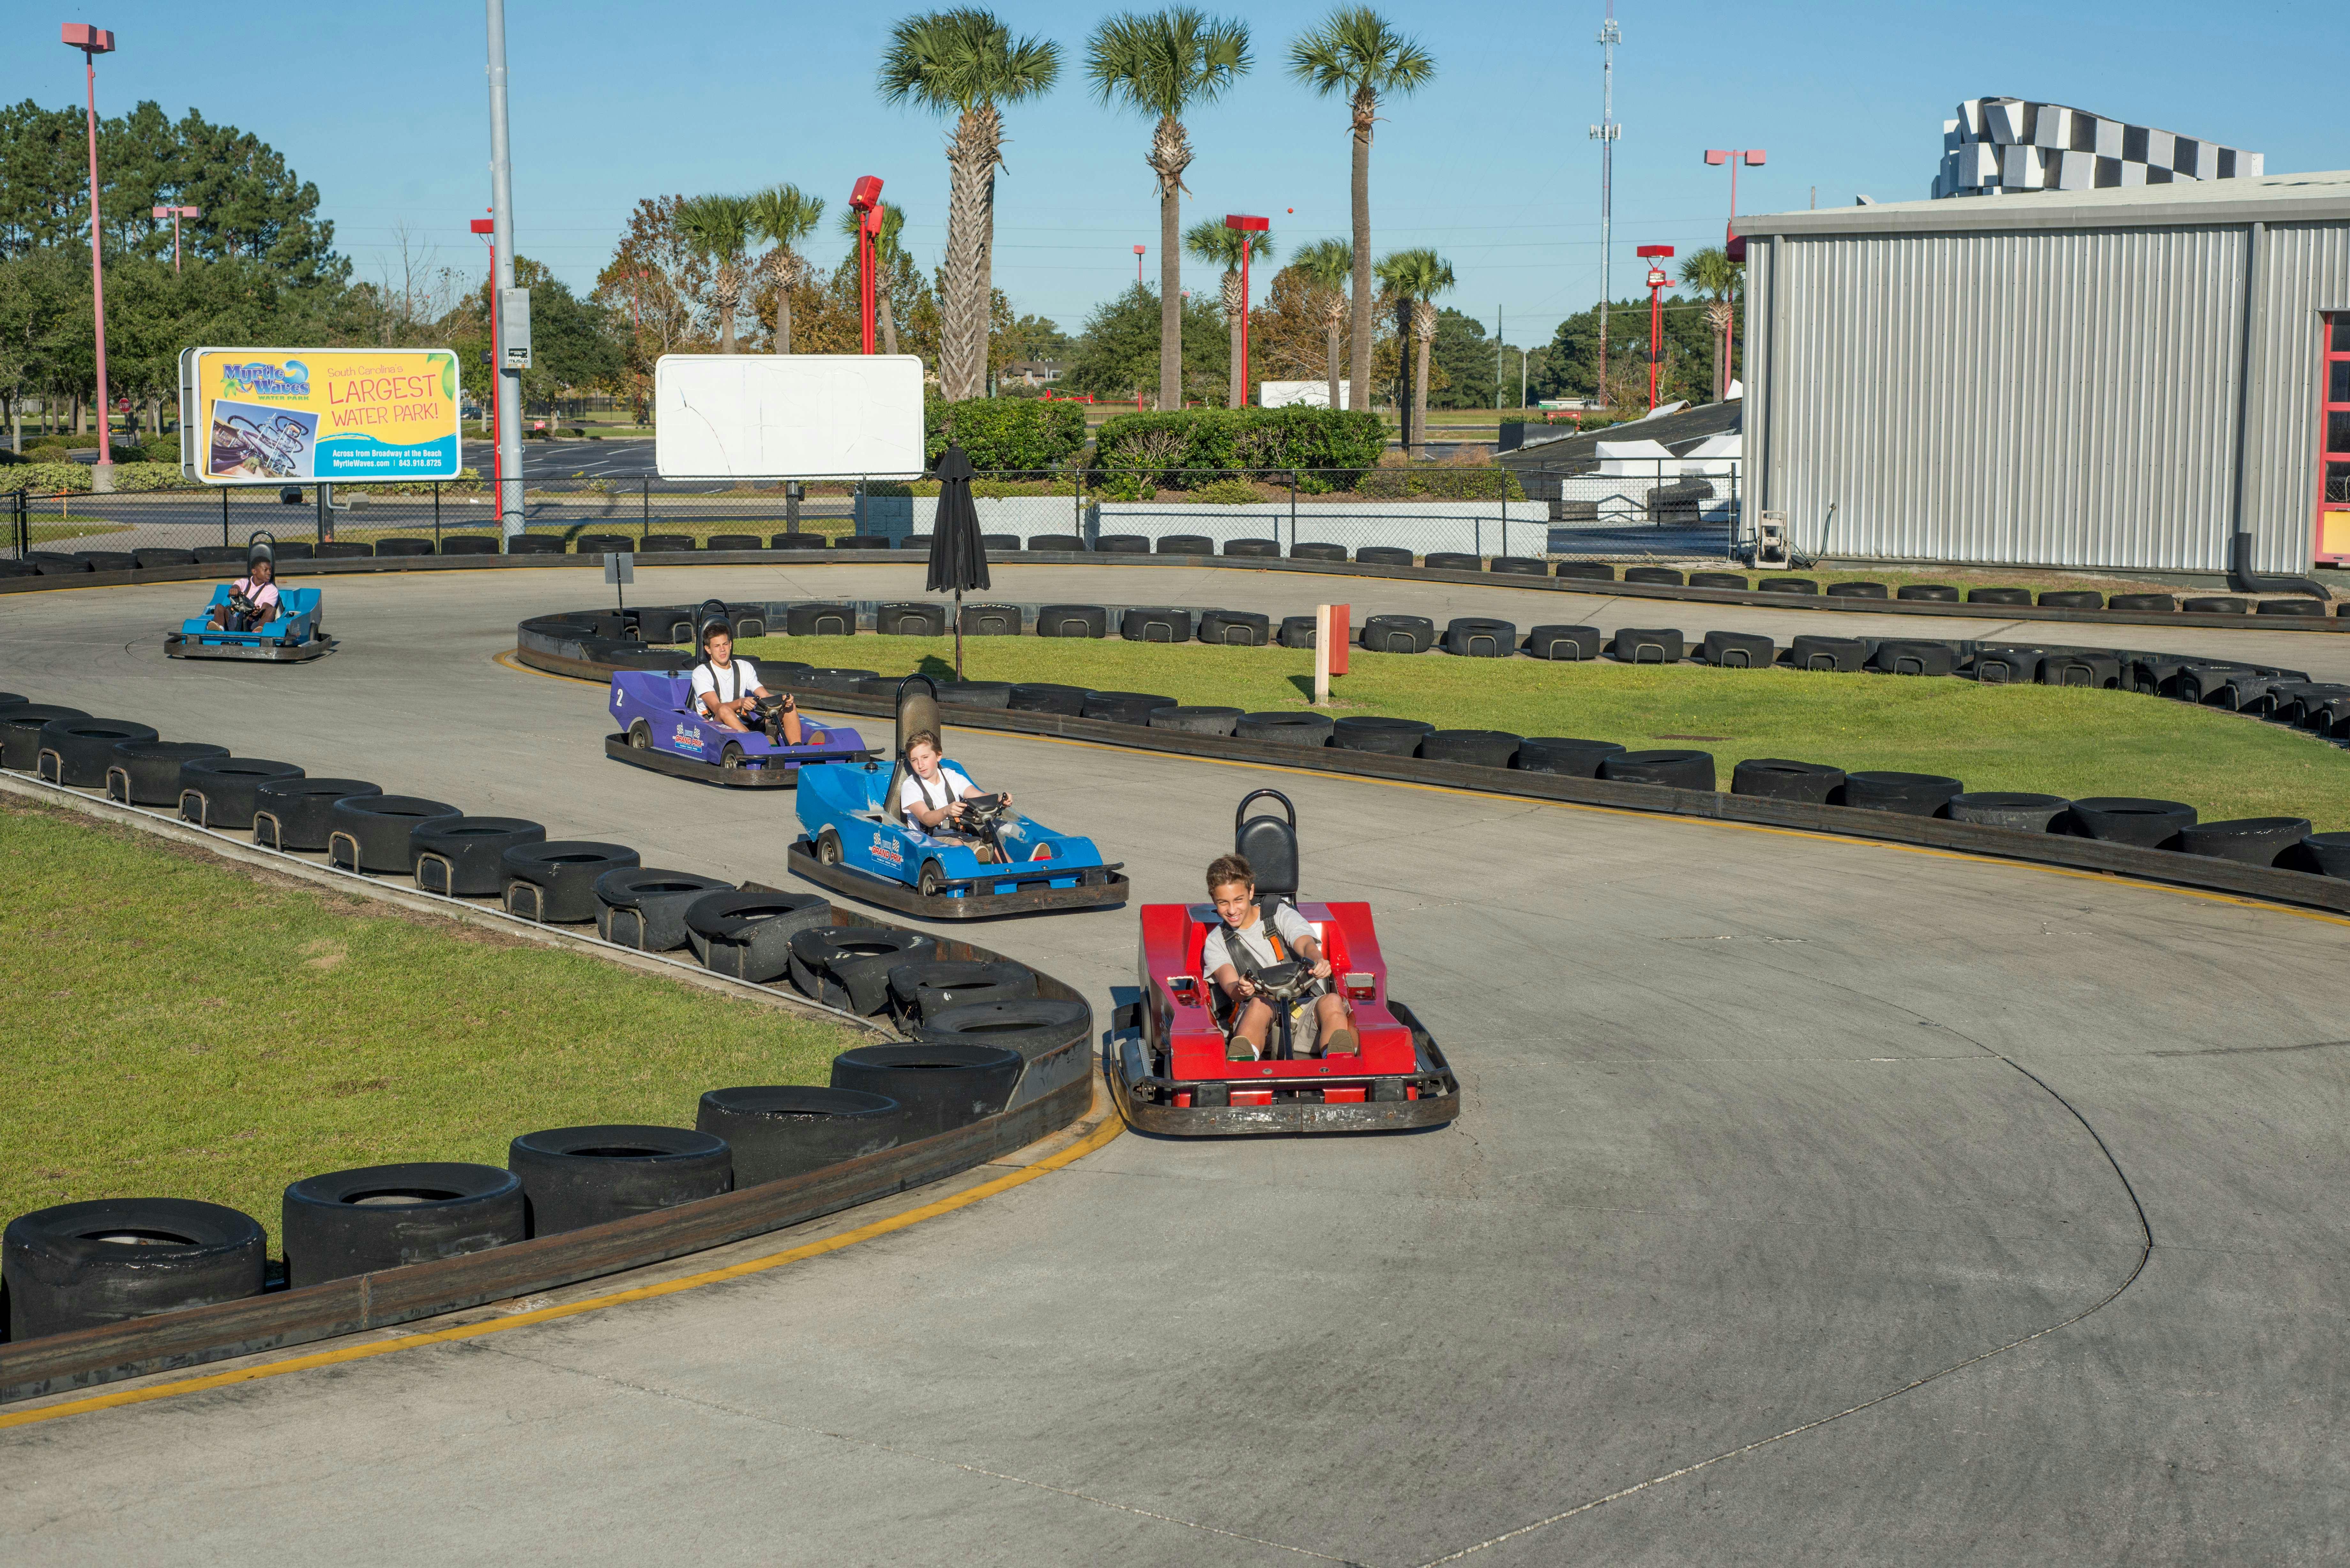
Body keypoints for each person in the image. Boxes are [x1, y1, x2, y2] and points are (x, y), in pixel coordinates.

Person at [1201, 853, 1357, 1061]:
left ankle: (1339, 1063)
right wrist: (1241, 988)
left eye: (1238, 900)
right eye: (1223, 903)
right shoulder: (1216, 941)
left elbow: (1305, 943)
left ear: (1251, 891)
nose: (1232, 910)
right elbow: (1230, 985)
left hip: (1304, 1010)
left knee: (1332, 1001)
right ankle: (1245, 1061)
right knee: (1258, 1005)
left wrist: (1317, 959)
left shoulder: (1279, 914)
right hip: (1261, 1025)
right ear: (1214, 900)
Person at [690, 622, 818, 745]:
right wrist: (741, 703)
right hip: (715, 727)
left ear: (730, 644)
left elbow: (764, 695)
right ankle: (759, 744)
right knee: (725, 710)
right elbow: (716, 708)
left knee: (789, 706)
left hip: (745, 724)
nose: (722, 650)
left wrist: (782, 700)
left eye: (725, 644)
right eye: (717, 646)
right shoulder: (701, 673)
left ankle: (796, 749)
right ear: (708, 649)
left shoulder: (744, 667)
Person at [898, 730, 1012, 863]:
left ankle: (1019, 875)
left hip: (957, 835)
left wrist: (998, 799)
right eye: (914, 760)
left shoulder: (951, 777)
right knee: (958, 846)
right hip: (926, 840)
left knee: (993, 845)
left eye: (925, 758)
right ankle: (976, 871)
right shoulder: (911, 786)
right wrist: (946, 811)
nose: (920, 765)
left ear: (938, 755)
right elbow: (926, 818)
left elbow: (979, 796)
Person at [210, 555, 280, 631]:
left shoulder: (272, 589)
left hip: (255, 623)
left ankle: (260, 632)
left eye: (270, 570)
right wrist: (234, 590)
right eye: (266, 570)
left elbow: (266, 607)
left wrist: (257, 612)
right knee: (219, 607)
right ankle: (219, 629)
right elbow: (236, 586)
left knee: (272, 610)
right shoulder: (243, 582)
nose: (269, 573)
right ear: (254, 571)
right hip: (237, 620)